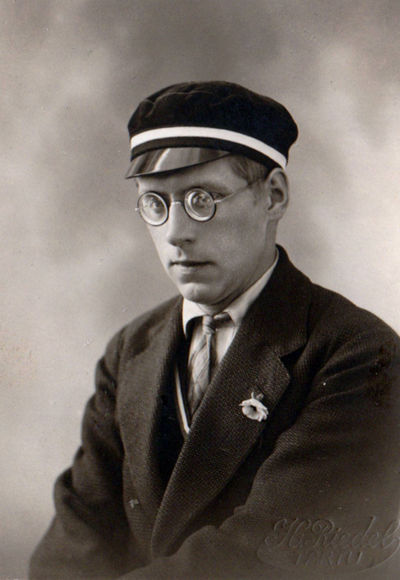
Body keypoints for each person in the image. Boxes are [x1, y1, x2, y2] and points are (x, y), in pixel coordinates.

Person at [30, 81, 400, 579]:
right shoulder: (131, 350)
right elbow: (76, 540)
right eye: (155, 203)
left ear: (274, 196)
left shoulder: (361, 355)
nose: (176, 232)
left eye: (202, 199)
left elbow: (260, 557)